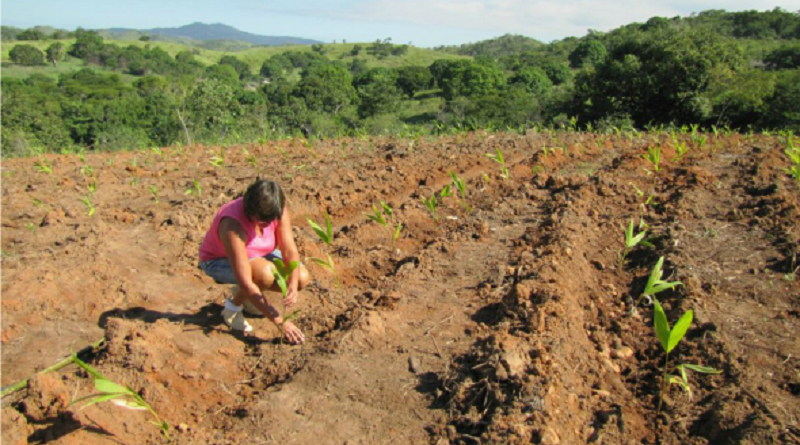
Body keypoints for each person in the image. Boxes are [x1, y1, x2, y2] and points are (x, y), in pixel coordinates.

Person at [198, 179, 310, 344]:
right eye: (262, 221)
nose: (267, 225)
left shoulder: (276, 208)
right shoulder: (232, 224)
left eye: (271, 220)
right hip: (218, 261)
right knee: (263, 274)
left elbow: (289, 250)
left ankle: (251, 300)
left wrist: (292, 283)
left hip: (258, 256)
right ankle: (232, 308)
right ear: (250, 210)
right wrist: (280, 321)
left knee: (301, 276)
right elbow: (246, 281)